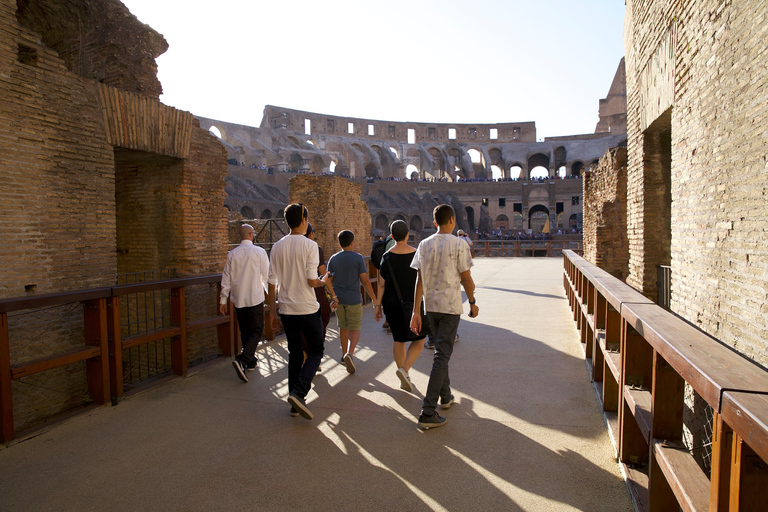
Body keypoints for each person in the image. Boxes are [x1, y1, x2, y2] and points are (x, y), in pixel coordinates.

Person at [410, 204, 479, 429]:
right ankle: (427, 411)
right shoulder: (459, 244)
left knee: (441, 352)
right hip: (449, 306)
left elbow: (419, 281)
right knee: (442, 355)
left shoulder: (423, 244)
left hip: (431, 306)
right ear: (451, 220)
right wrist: (473, 302)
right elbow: (466, 278)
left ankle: (446, 396)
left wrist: (415, 311)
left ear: (434, 222)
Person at [268, 204, 330, 420]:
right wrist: (324, 281)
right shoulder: (310, 246)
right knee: (316, 351)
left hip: (286, 308)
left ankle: (295, 404)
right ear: (303, 220)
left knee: (295, 353)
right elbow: (312, 280)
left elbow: (272, 282)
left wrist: (272, 312)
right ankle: (299, 391)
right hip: (306, 307)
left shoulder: (277, 247)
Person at [374, 220, 429, 393]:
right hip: (413, 302)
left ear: (391, 236)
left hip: (391, 303)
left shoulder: (386, 256)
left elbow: (381, 284)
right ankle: (404, 370)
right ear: (407, 234)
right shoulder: (417, 254)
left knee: (399, 340)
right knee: (420, 339)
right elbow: (423, 280)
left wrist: (377, 305)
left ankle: (403, 374)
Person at [219, 223, 269, 383]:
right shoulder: (260, 252)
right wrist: (274, 296)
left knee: (246, 330)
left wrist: (223, 299)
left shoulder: (232, 254)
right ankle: (242, 359)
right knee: (257, 329)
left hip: (239, 298)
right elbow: (265, 276)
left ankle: (251, 362)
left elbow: (226, 277)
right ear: (251, 234)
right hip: (254, 297)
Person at [326, 230, 379, 374]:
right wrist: (374, 299)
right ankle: (350, 353)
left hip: (339, 299)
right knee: (355, 327)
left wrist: (332, 297)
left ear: (339, 243)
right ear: (352, 242)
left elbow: (328, 281)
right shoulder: (358, 258)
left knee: (343, 327)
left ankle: (344, 355)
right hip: (353, 299)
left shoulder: (333, 258)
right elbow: (365, 281)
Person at [303, 223, 338, 372]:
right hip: (315, 291)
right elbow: (324, 274)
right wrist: (333, 295)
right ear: (310, 234)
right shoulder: (315, 249)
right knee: (321, 322)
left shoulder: (288, 248)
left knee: (302, 328)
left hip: (297, 292)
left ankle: (306, 357)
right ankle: (314, 359)